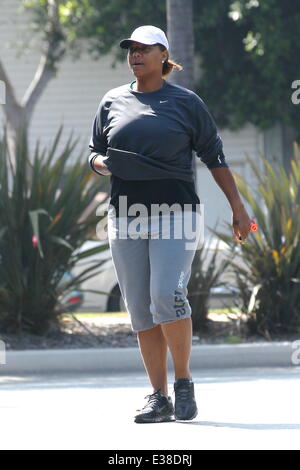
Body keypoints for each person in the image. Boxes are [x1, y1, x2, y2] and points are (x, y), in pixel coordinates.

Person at [88, 25, 252, 423]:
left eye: (144, 49)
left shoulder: (186, 102)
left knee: (166, 296)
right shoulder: (112, 100)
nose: (135, 55)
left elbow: (214, 156)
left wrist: (238, 207)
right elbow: (94, 151)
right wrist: (104, 164)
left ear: (163, 55)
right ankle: (157, 397)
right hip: (125, 215)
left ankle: (183, 383)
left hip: (175, 214)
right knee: (140, 310)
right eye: (131, 49)